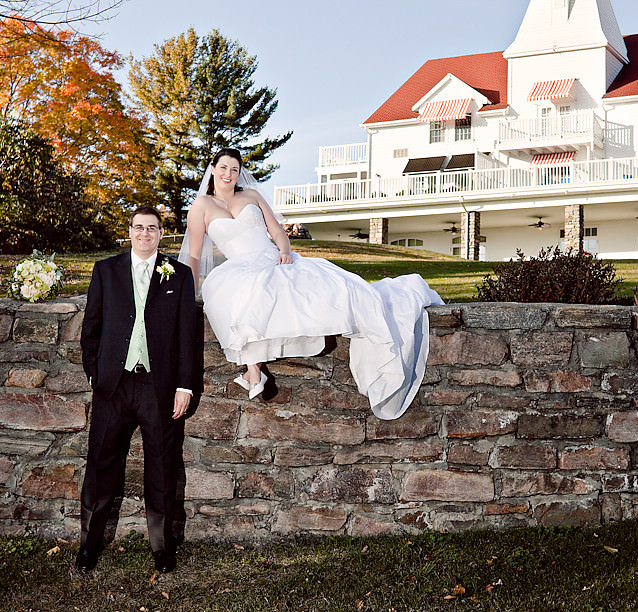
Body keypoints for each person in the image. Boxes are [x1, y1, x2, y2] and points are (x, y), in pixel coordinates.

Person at [180, 148, 444, 420]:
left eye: (234, 170)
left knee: (339, 289)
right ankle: (253, 369)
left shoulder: (251, 196)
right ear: (213, 169)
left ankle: (253, 371)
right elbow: (196, 254)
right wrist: (190, 291)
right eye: (223, 168)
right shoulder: (202, 206)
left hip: (274, 259)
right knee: (242, 296)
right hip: (240, 266)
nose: (228, 174)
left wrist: (283, 251)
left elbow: (277, 231)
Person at [78, 206, 201, 573]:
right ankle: (88, 545)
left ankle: (162, 548)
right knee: (100, 465)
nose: (144, 234)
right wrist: (94, 375)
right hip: (112, 387)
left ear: (162, 234)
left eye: (152, 228)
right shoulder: (106, 271)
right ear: (129, 232)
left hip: (158, 387)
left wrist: (185, 386)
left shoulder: (178, 275)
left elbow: (187, 336)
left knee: (162, 468)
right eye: (138, 228)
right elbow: (91, 329)